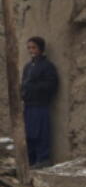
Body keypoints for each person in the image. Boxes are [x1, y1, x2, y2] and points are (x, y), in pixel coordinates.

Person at [21, 36, 59, 168]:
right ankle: (30, 161)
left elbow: (52, 84)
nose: (31, 50)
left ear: (40, 49)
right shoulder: (28, 67)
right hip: (29, 105)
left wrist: (34, 87)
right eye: (29, 48)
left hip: (40, 105)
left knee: (40, 132)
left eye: (34, 47)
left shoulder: (47, 66)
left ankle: (43, 159)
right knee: (29, 133)